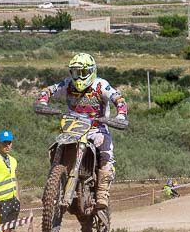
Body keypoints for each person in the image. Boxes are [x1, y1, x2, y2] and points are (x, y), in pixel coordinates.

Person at [34, 53, 127, 209]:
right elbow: (49, 90)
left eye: (83, 73)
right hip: (72, 128)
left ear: (92, 71)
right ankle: (53, 185)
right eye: (76, 72)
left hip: (96, 128)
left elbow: (119, 99)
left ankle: (102, 192)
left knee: (106, 153)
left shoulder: (101, 85)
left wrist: (121, 115)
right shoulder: (68, 84)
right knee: (55, 146)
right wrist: (43, 101)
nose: (79, 77)